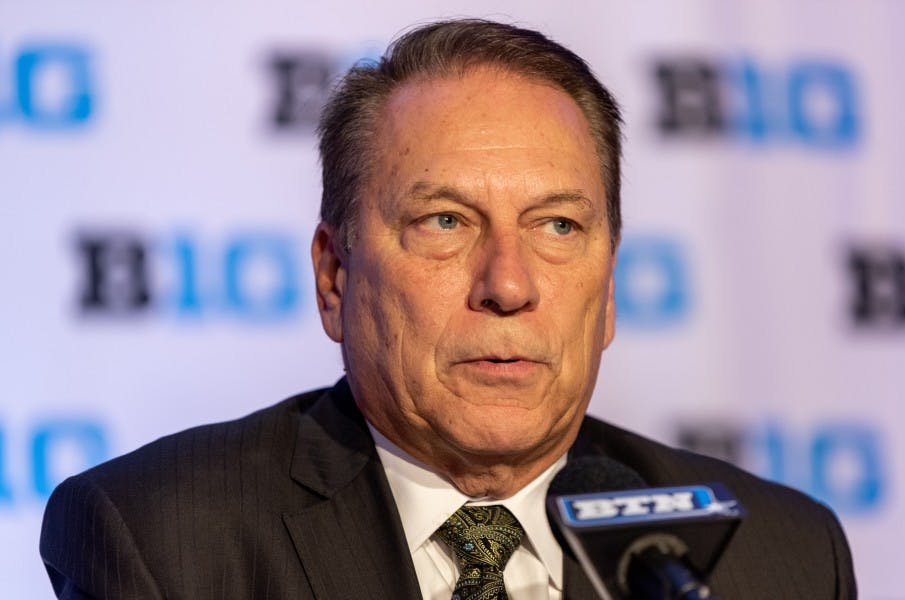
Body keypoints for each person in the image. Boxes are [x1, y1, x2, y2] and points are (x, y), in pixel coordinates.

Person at [39, 19, 856, 600]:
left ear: (607, 291)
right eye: (445, 222)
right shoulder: (161, 543)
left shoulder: (774, 558)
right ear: (335, 278)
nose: (508, 284)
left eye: (558, 226)